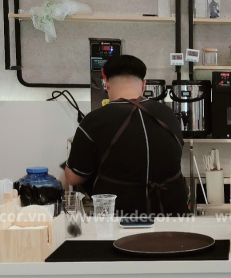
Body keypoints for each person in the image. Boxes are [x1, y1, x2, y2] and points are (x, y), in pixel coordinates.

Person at [65, 55, 188, 216]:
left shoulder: (94, 120)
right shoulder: (168, 115)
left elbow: (73, 178)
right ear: (143, 85)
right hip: (173, 217)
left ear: (106, 82)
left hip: (120, 219)